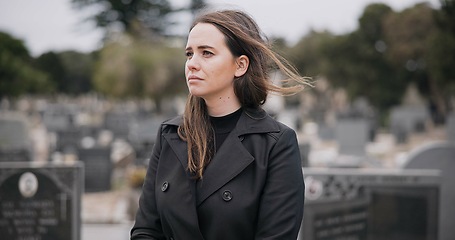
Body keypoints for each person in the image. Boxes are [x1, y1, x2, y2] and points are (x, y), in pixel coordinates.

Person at [131, 8, 310, 240]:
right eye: (189, 54)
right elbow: (146, 230)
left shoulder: (275, 144)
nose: (192, 64)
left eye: (206, 53)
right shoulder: (171, 135)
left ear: (240, 65)